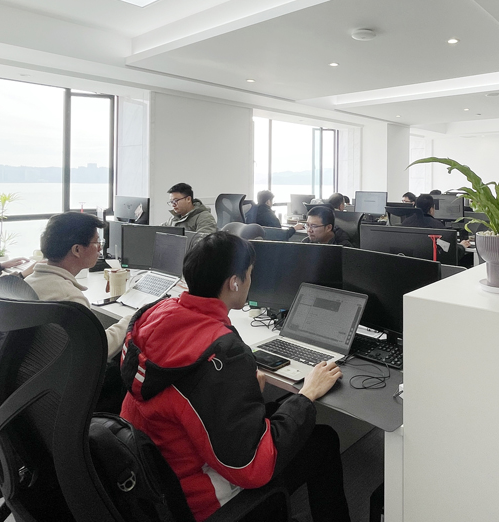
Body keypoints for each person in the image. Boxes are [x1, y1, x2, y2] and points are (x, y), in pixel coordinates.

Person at [120, 233, 350, 522]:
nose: (251, 281)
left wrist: (239, 391)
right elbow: (252, 468)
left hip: (159, 474)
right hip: (201, 497)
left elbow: (189, 395)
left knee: (276, 410)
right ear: (234, 282)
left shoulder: (154, 314)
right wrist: (306, 395)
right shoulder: (222, 351)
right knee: (323, 440)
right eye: (250, 274)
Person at [23, 212, 132, 359]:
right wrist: (131, 320)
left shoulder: (29, 281)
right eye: (96, 242)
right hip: (72, 369)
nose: (100, 249)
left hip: (43, 365)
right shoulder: (69, 298)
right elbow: (98, 350)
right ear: (77, 250)